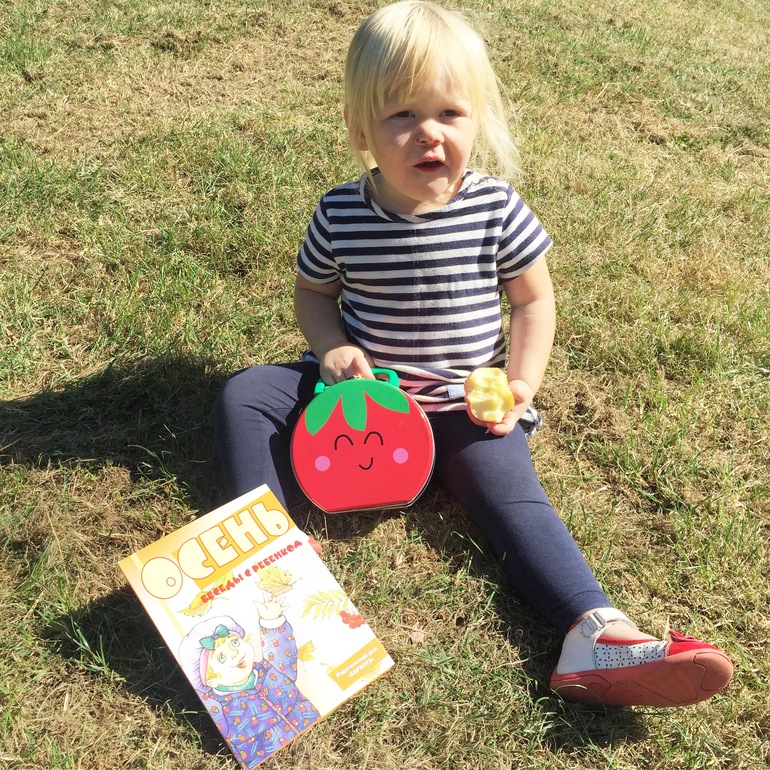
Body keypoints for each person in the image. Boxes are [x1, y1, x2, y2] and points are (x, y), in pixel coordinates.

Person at [215, 0, 733, 707]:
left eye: (449, 113)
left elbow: (533, 300)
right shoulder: (341, 212)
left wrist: (520, 384)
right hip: (360, 401)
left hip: (462, 409)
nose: (428, 133)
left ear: (476, 121)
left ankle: (596, 631)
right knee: (247, 393)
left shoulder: (495, 208)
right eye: (402, 114)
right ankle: (262, 573)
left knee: (514, 499)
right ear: (362, 130)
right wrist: (331, 348)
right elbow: (313, 293)